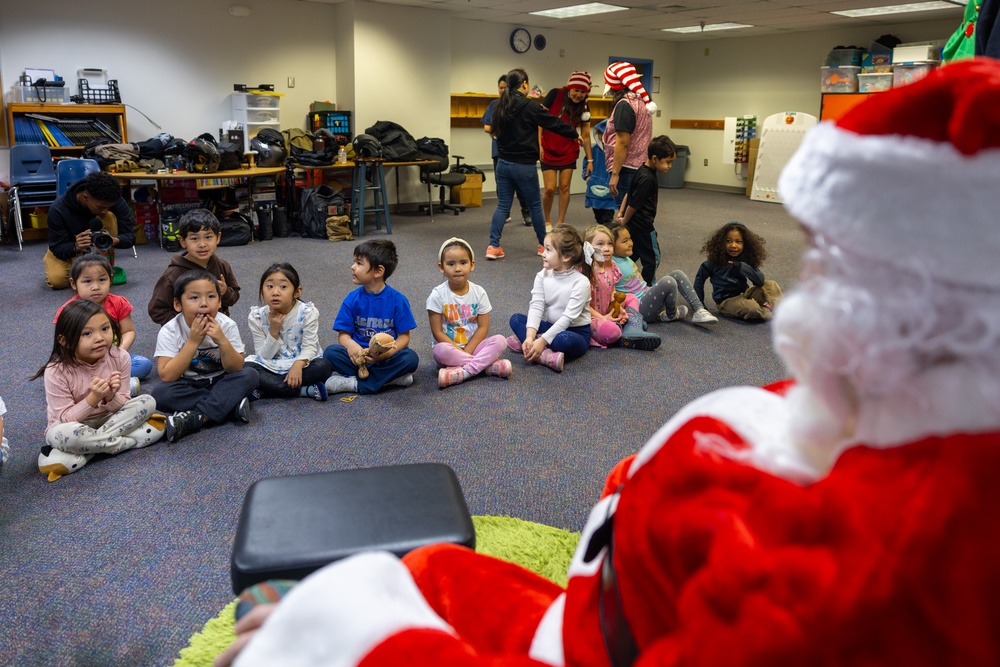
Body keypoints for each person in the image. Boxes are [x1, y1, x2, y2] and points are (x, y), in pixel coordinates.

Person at [214, 59, 1000, 667]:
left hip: (596, 633)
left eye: (834, 254)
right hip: (605, 584)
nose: (812, 280)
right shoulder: (880, 384)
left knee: (344, 613)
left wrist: (336, 637)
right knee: (427, 566)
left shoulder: (888, 557)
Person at [31, 300, 165, 482]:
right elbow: (65, 418)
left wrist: (110, 396)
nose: (100, 338)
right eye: (87, 333)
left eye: (105, 328)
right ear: (64, 340)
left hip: (110, 418)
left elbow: (124, 403)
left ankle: (89, 450)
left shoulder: (119, 356)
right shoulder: (56, 370)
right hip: (74, 426)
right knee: (62, 435)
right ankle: (126, 443)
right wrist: (93, 399)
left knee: (147, 402)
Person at [151, 269, 259, 442]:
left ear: (219, 303)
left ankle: (197, 418)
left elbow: (236, 368)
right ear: (178, 304)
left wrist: (222, 340)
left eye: (211, 297)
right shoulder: (170, 330)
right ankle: (230, 407)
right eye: (194, 298)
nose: (204, 304)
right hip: (189, 385)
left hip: (221, 381)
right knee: (160, 393)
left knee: (250, 375)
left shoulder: (227, 325)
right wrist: (193, 342)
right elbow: (167, 376)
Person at [486, 68, 578, 261]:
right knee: (535, 205)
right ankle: (544, 247)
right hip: (524, 166)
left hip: (503, 164)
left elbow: (492, 130)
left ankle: (493, 246)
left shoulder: (499, 105)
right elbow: (553, 123)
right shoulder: (530, 106)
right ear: (525, 84)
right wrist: (573, 133)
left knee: (503, 205)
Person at [322, 240, 419, 394]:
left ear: (378, 271)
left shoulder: (398, 300)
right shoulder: (352, 299)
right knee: (330, 353)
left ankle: (356, 384)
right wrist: (352, 346)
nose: (352, 267)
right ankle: (390, 379)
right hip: (358, 358)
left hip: (385, 358)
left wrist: (385, 355)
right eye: (354, 262)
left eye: (359, 263)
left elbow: (404, 338)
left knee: (411, 358)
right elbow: (343, 335)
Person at [54, 255, 153, 393]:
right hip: (83, 361)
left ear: (110, 279)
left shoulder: (118, 303)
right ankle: (115, 386)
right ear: (73, 283)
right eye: (87, 281)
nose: (95, 287)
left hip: (112, 357)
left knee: (144, 365)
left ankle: (100, 386)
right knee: (61, 373)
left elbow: (128, 331)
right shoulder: (68, 310)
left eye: (102, 280)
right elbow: (64, 344)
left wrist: (118, 353)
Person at [427, 237, 512, 389]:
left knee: (500, 340)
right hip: (449, 350)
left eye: (463, 263)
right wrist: (460, 350)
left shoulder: (479, 292)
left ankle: (463, 372)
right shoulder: (437, 295)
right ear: (441, 267)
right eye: (451, 264)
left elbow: (483, 327)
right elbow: (437, 332)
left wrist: (468, 350)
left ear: (472, 265)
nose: (458, 268)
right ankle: (486, 366)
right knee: (440, 350)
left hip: (474, 346)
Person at [506, 225, 593, 372]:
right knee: (516, 319)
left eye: (548, 250)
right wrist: (529, 336)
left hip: (575, 332)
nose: (543, 254)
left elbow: (568, 318)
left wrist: (542, 340)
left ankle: (537, 347)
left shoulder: (581, 282)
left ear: (565, 256)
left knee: (562, 339)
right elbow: (536, 306)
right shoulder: (543, 275)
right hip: (551, 326)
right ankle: (543, 353)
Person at [244, 263, 333, 401]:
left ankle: (265, 390)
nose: (275, 292)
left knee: (323, 366)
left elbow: (310, 347)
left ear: (297, 292)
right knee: (247, 368)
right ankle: (303, 391)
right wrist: (273, 332)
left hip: (303, 364)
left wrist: (298, 365)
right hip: (272, 365)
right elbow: (262, 356)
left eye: (283, 287)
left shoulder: (307, 312)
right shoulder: (256, 316)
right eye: (269, 286)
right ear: (262, 291)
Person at [147, 208, 241, 326]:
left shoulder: (222, 266)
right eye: (194, 238)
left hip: (217, 329)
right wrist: (184, 325)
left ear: (218, 238)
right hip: (186, 336)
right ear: (183, 241)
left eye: (208, 237)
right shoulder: (172, 275)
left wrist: (225, 292)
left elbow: (234, 297)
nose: (202, 244)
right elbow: (156, 310)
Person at [43, 171, 136, 290]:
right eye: (101, 207)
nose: (105, 210)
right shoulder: (58, 210)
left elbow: (130, 237)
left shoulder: (115, 201)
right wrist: (75, 246)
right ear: (85, 197)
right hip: (68, 243)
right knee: (57, 280)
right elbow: (57, 247)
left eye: (108, 206)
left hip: (99, 240)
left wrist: (114, 240)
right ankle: (80, 261)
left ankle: (102, 260)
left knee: (109, 216)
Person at [612, 224, 717, 327]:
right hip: (639, 309)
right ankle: (671, 314)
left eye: (630, 239)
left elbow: (640, 283)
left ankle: (699, 309)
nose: (630, 243)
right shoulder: (611, 264)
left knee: (677, 274)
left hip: (647, 297)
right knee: (668, 281)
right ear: (611, 245)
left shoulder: (625, 258)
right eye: (625, 241)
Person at [583, 224, 660, 350]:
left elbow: (613, 291)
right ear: (588, 248)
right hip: (593, 317)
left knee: (631, 298)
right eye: (600, 244)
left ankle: (632, 327)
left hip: (609, 310)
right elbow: (583, 305)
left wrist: (620, 309)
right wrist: (603, 318)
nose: (606, 248)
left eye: (609, 244)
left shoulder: (611, 267)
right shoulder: (585, 272)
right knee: (612, 332)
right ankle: (627, 330)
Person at [615, 134, 676, 286]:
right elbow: (634, 203)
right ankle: (647, 289)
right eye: (668, 162)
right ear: (655, 159)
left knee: (631, 255)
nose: (670, 166)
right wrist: (624, 220)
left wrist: (621, 214)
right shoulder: (648, 178)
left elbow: (628, 194)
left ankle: (624, 282)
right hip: (643, 226)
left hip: (633, 225)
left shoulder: (640, 170)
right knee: (653, 259)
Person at [694, 221, 783, 321]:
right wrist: (700, 306)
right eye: (728, 241)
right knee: (752, 308)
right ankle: (766, 312)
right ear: (720, 243)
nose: (733, 245)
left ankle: (780, 309)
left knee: (771, 285)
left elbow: (760, 281)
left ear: (745, 244)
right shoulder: (712, 263)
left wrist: (742, 267)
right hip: (726, 301)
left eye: (738, 241)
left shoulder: (744, 259)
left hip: (746, 294)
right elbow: (699, 282)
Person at [540, 71, 594, 230]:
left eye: (582, 91)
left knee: (564, 187)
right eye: (576, 90)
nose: (578, 94)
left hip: (569, 149)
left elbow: (586, 135)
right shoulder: (555, 94)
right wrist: (539, 145)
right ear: (570, 87)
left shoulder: (584, 106)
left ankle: (560, 222)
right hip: (549, 146)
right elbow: (539, 119)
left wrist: (590, 159)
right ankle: (547, 220)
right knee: (549, 188)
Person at [603, 61, 657, 208]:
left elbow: (623, 143)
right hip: (641, 166)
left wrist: (615, 174)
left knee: (624, 215)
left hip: (626, 169)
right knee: (635, 213)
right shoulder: (642, 101)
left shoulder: (625, 105)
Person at [481, 74, 531, 228]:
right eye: (500, 87)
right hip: (499, 151)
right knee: (501, 184)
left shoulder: (518, 104)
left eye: (505, 87)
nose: (502, 90)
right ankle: (505, 213)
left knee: (521, 184)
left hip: (518, 151)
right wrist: (500, 130)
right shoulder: (494, 105)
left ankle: (526, 213)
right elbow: (486, 126)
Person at [583, 118, 617, 225]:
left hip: (609, 189)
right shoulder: (593, 150)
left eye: (606, 134)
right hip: (595, 188)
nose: (602, 137)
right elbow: (586, 164)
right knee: (598, 216)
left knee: (607, 218)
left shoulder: (616, 152)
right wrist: (588, 178)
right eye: (600, 134)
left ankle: (606, 234)